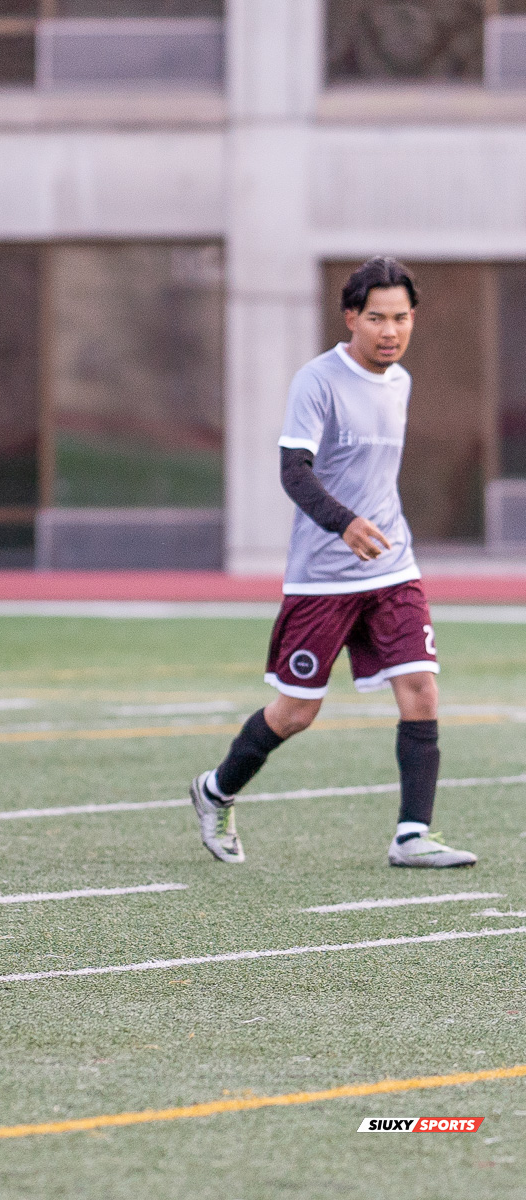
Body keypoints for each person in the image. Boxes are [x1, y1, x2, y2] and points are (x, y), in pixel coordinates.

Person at [188, 257, 473, 869]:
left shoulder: (401, 382)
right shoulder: (316, 381)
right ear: (351, 317)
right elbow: (294, 472)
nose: (390, 331)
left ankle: (412, 835)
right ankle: (216, 791)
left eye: (400, 318)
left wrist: (373, 528)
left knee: (421, 690)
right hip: (323, 575)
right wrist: (342, 523)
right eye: (376, 318)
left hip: (393, 567)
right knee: (297, 710)